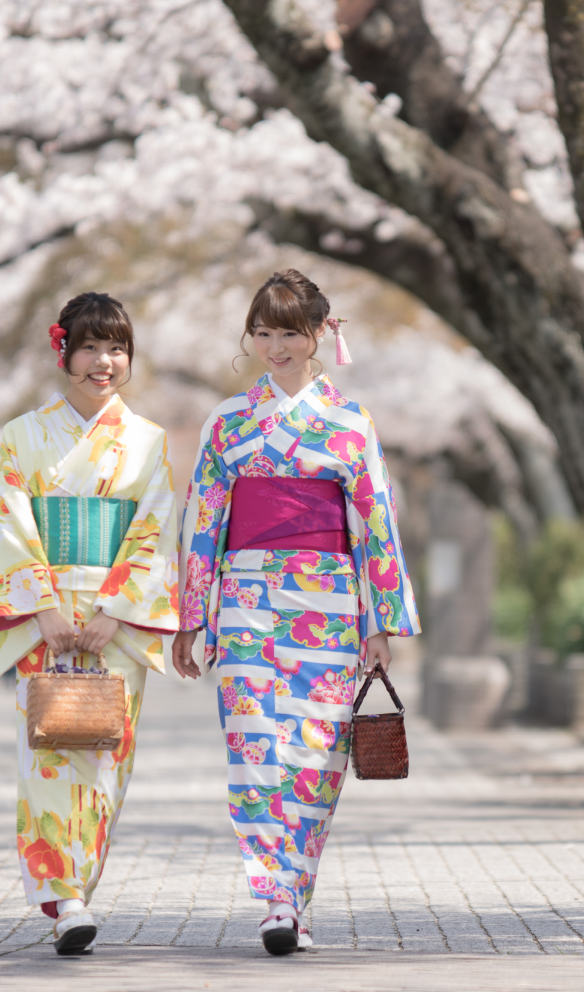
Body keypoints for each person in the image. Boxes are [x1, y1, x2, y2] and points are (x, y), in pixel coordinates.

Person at [172, 269, 419, 955]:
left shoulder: (348, 422)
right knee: (255, 750)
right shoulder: (227, 421)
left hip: (330, 601)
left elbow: (375, 522)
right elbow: (204, 523)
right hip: (247, 599)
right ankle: (274, 897)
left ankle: (294, 897)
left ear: (319, 336)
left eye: (289, 332)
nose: (274, 346)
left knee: (315, 756)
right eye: (263, 331)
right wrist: (192, 617)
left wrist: (379, 622)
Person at [0, 292, 180, 955]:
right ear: (62, 349)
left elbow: (153, 528)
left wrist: (114, 609)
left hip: (113, 623)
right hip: (46, 618)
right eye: (90, 346)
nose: (104, 361)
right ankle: (63, 897)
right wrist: (41, 605)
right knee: (47, 754)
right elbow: (10, 523)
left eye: (117, 347)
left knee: (103, 763)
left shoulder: (150, 442)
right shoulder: (22, 436)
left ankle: (78, 889)